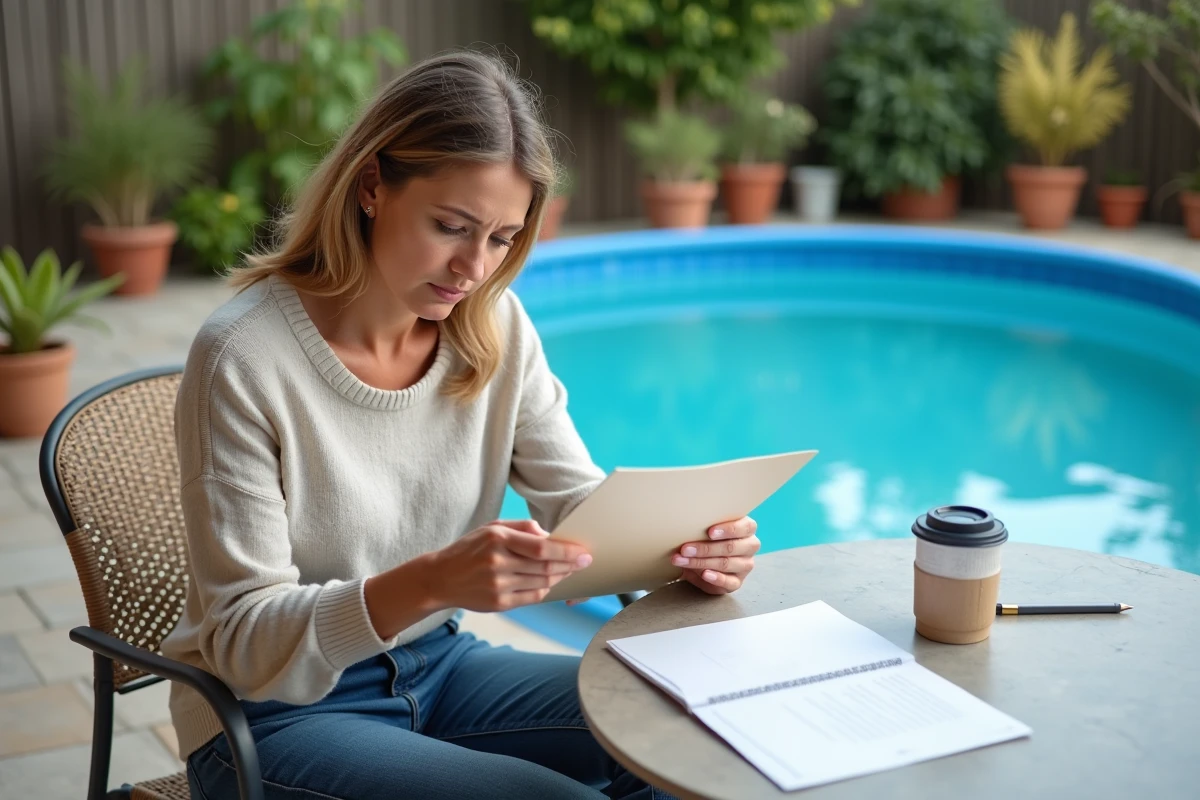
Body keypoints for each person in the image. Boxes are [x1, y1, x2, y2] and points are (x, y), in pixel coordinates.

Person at [164, 50, 761, 800]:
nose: (474, 268)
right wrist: (432, 580)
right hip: (273, 718)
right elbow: (245, 643)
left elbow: (579, 511)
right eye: (452, 226)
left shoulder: (493, 327)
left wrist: (687, 548)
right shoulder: (244, 356)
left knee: (703, 733)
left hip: (440, 668)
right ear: (373, 186)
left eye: (503, 238)